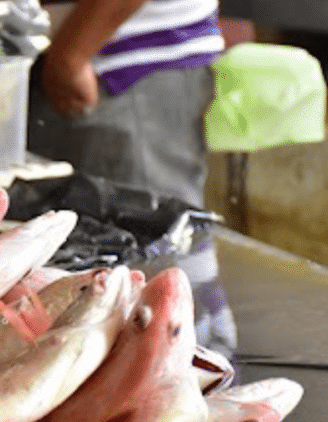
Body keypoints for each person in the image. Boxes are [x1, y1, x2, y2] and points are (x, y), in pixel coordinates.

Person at [28, 0, 236, 356]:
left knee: (151, 265)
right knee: (96, 271)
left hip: (120, 62)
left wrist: (70, 56)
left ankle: (197, 382)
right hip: (79, 53)